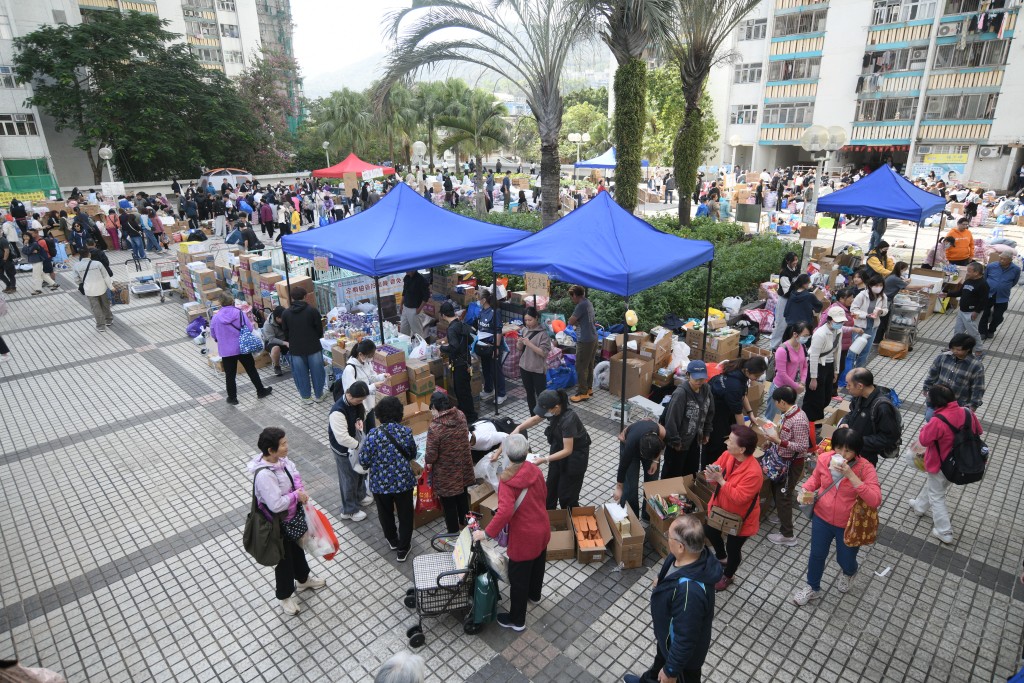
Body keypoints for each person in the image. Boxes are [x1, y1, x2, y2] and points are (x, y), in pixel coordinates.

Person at [623, 515, 721, 683]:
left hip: (683, 659)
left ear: (681, 546)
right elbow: (671, 574)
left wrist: (671, 670)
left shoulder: (690, 592)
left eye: (669, 535)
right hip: (667, 640)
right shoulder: (684, 557)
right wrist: (662, 580)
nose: (667, 537)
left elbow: (685, 638)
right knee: (658, 667)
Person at [791, 428, 881, 605]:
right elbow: (815, 479)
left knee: (845, 559)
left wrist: (850, 475)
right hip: (822, 517)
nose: (842, 454)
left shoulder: (865, 468)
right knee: (817, 554)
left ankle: (850, 572)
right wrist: (806, 489)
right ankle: (812, 587)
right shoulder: (825, 459)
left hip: (848, 523)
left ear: (857, 451)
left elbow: (875, 499)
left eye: (848, 450)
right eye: (838, 448)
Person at [472, 434, 549, 631]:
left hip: (524, 537)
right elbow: (544, 495)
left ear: (507, 454)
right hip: (542, 527)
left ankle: (517, 620)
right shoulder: (535, 470)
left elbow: (505, 512)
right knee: (538, 564)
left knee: (519, 578)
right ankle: (534, 595)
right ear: (526, 451)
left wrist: (486, 534)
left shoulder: (507, 481)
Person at [248, 427, 326, 615]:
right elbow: (275, 505)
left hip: (291, 518)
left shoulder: (281, 461)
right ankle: (284, 596)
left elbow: (295, 476)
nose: (287, 447)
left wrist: (300, 491)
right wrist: (296, 496)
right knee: (284, 560)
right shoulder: (265, 475)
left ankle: (303, 580)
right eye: (283, 444)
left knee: (297, 550)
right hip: (277, 525)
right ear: (270, 450)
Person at [909, 384, 982, 545]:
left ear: (936, 402)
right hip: (960, 462)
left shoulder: (937, 420)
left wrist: (925, 428)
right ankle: (919, 507)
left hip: (941, 464)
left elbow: (924, 440)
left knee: (937, 495)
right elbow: (979, 430)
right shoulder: (967, 412)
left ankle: (944, 532)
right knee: (936, 487)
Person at [701, 425, 762, 591]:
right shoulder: (728, 455)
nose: (726, 442)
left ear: (742, 449)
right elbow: (715, 469)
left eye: (731, 441)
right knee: (710, 531)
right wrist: (711, 475)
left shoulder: (754, 473)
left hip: (741, 518)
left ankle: (728, 575)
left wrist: (720, 480)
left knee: (733, 549)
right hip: (719, 509)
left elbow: (739, 498)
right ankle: (721, 557)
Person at [359, 396, 418, 562]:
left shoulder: (373, 435)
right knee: (405, 515)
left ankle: (392, 540)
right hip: (403, 482)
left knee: (385, 514)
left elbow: (364, 461)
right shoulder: (405, 432)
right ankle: (403, 549)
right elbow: (412, 454)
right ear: (399, 413)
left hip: (380, 484)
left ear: (379, 415)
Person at [510, 389, 591, 509]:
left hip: (575, 456)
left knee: (567, 495)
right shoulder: (553, 411)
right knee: (550, 488)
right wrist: (518, 428)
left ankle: (569, 517)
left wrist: (545, 459)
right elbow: (535, 419)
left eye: (545, 411)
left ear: (556, 407)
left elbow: (568, 450)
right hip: (558, 448)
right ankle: (549, 514)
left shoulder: (569, 419)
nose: (543, 414)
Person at [763, 386, 812, 547]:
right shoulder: (788, 414)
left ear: (782, 402)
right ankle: (783, 516)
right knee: (778, 489)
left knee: (783, 496)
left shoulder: (798, 420)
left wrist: (779, 442)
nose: (775, 404)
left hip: (791, 464)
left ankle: (788, 535)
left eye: (776, 402)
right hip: (781, 461)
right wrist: (772, 441)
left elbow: (803, 446)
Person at [425, 391, 476, 533]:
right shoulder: (460, 415)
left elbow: (431, 456)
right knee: (463, 498)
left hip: (446, 473)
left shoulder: (435, 427)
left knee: (449, 505)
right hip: (463, 467)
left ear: (434, 407)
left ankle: (453, 533)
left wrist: (428, 461)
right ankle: (466, 526)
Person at [209, 293, 273, 405]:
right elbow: (249, 328)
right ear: (232, 302)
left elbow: (213, 334)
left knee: (230, 375)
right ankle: (260, 391)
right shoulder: (239, 313)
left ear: (221, 304)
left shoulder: (216, 317)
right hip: (243, 347)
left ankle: (232, 398)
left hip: (226, 351)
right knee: (251, 370)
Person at [659, 360, 715, 478]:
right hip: (678, 443)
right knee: (672, 475)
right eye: (696, 378)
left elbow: (710, 411)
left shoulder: (706, 389)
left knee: (690, 474)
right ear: (688, 375)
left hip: (695, 440)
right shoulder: (681, 394)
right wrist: (675, 442)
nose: (700, 381)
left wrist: (706, 432)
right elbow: (671, 420)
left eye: (702, 378)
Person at [328, 380, 373, 522]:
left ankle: (360, 496)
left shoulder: (356, 403)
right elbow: (342, 438)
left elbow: (360, 415)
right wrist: (359, 445)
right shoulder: (337, 411)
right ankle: (349, 510)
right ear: (349, 395)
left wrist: (359, 421)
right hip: (343, 450)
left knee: (359, 472)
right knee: (348, 479)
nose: (360, 402)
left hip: (354, 445)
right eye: (359, 400)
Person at [837, 368, 902, 466]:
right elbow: (851, 413)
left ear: (860, 386)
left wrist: (858, 441)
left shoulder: (882, 407)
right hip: (852, 451)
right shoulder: (859, 396)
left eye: (849, 385)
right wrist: (844, 422)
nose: (847, 387)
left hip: (866, 458)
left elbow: (889, 437)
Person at [706, 356, 767, 460]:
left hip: (725, 406)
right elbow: (738, 413)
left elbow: (742, 395)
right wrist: (744, 437)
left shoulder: (740, 370)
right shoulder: (734, 386)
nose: (757, 379)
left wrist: (750, 413)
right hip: (716, 412)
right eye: (756, 376)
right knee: (717, 442)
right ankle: (712, 463)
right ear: (747, 371)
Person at [922, 333, 984, 419]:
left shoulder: (976, 366)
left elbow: (978, 388)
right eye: (952, 348)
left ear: (968, 349)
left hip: (958, 405)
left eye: (958, 349)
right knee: (930, 418)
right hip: (937, 400)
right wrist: (926, 387)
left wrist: (973, 405)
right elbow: (932, 374)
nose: (954, 351)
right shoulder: (942, 357)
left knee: (950, 425)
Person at [281, 286, 327, 403]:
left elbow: (285, 332)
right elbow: (319, 330)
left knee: (300, 374)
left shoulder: (286, 313)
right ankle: (319, 395)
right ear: (305, 296)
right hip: (313, 346)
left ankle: (306, 397)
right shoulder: (312, 311)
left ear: (292, 298)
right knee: (317, 372)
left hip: (296, 348)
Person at [613, 419, 665, 520]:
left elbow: (663, 443)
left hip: (651, 446)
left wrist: (655, 461)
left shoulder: (661, 431)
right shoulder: (630, 444)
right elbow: (623, 467)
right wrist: (619, 488)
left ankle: (648, 514)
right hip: (630, 443)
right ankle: (633, 518)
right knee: (630, 486)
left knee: (652, 483)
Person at [803, 307, 845, 425]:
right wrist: (813, 378)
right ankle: (809, 421)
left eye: (841, 321)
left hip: (829, 366)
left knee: (826, 396)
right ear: (829, 319)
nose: (840, 323)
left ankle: (817, 419)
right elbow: (814, 356)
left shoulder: (839, 331)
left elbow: (838, 351)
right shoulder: (820, 333)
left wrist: (836, 371)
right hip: (818, 366)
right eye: (837, 321)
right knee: (815, 397)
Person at [439, 301, 477, 424]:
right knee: (465, 390)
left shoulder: (451, 329)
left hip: (459, 364)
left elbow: (454, 347)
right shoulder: (461, 323)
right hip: (466, 361)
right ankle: (469, 413)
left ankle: (469, 417)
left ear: (443, 315)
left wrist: (442, 348)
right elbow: (470, 339)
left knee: (461, 392)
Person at [764, 323, 810, 422]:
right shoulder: (782, 350)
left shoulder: (802, 347)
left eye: (808, 336)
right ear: (795, 334)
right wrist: (797, 386)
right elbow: (782, 373)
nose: (806, 338)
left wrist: (802, 382)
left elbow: (805, 366)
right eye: (805, 335)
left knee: (786, 418)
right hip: (780, 390)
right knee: (772, 419)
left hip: (793, 390)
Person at [877, 261, 927, 340]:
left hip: (885, 299)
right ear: (901, 269)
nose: (905, 272)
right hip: (886, 301)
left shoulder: (892, 276)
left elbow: (902, 284)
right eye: (905, 270)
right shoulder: (895, 278)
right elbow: (909, 287)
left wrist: (906, 282)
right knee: (884, 321)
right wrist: (925, 286)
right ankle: (877, 340)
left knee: (884, 320)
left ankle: (879, 338)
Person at [517, 306, 551, 416]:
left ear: (536, 318)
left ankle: (544, 414)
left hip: (537, 369)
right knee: (529, 393)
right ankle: (533, 415)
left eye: (530, 320)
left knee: (541, 394)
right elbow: (519, 348)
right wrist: (519, 342)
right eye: (525, 320)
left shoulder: (543, 334)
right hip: (524, 367)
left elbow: (543, 353)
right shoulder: (524, 330)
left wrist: (529, 344)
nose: (527, 322)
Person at [979, 252, 1020, 340]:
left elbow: (1014, 282)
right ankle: (982, 332)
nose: (1001, 260)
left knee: (998, 316)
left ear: (1010, 260)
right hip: (988, 294)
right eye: (1000, 258)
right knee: (984, 314)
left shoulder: (1016, 269)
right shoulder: (991, 266)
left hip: (1003, 296)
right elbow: (985, 278)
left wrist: (1003, 287)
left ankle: (991, 330)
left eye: (1004, 259)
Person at [567, 285, 597, 403]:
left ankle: (582, 393)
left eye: (572, 296)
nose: (572, 299)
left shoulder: (580, 305)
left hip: (585, 340)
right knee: (589, 364)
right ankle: (589, 388)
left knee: (580, 366)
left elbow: (570, 321)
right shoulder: (588, 302)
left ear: (575, 295)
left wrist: (574, 321)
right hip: (593, 337)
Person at [475, 288, 505, 404]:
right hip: (483, 345)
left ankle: (501, 393)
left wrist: (496, 348)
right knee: (486, 369)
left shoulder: (495, 312)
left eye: (478, 299)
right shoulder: (481, 311)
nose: (477, 301)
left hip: (493, 345)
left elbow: (498, 331)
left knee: (495, 370)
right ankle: (489, 389)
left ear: (483, 300)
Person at [849, 273, 888, 364]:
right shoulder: (862, 295)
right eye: (876, 285)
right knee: (853, 349)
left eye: (880, 285)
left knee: (866, 350)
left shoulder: (883, 297)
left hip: (873, 326)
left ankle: (860, 368)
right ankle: (849, 368)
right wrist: (866, 315)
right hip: (859, 325)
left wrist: (881, 312)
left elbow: (886, 309)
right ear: (870, 285)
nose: (878, 287)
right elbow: (853, 310)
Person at [74, 246, 114, 332]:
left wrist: (83, 283)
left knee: (96, 307)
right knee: (105, 304)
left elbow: (76, 280)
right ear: (89, 254)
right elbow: (106, 276)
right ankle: (108, 320)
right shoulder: (97, 264)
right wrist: (111, 287)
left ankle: (101, 326)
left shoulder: (76, 266)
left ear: (80, 255)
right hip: (102, 288)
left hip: (89, 290)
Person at [953, 261, 988, 354]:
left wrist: (976, 312)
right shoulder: (968, 280)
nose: (967, 273)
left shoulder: (983, 284)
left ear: (976, 273)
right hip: (962, 311)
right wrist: (947, 294)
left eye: (969, 271)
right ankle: (955, 348)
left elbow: (984, 300)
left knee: (973, 333)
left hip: (971, 312)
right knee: (958, 331)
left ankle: (978, 350)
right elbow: (960, 292)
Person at [770, 252, 803, 350]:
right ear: (788, 261)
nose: (796, 262)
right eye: (793, 260)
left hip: (794, 299)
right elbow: (787, 292)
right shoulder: (784, 273)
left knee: (791, 324)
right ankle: (774, 346)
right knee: (781, 323)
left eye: (796, 260)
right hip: (785, 300)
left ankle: (787, 345)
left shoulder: (797, 268)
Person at [781, 273, 822, 343]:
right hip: (804, 327)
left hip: (791, 326)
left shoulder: (792, 294)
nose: (809, 284)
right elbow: (819, 306)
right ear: (805, 283)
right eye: (808, 282)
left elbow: (786, 311)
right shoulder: (809, 296)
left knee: (791, 345)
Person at [22, 231, 58, 295]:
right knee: (42, 274)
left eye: (27, 236)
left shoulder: (34, 243)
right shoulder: (29, 243)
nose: (25, 238)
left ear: (30, 237)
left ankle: (38, 289)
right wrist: (28, 249)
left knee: (36, 276)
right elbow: (24, 251)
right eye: (24, 236)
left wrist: (26, 246)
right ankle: (54, 284)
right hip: (34, 261)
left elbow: (27, 252)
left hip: (37, 261)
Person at [400, 269, 430, 339]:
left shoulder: (421, 280)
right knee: (403, 330)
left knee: (417, 333)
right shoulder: (406, 277)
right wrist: (401, 304)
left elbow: (426, 297)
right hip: (405, 307)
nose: (406, 271)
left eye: (407, 269)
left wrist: (419, 309)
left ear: (413, 269)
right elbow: (404, 292)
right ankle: (405, 344)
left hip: (414, 309)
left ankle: (420, 345)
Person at [261, 305, 289, 376]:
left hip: (285, 339)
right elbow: (271, 339)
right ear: (277, 318)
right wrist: (285, 343)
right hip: (271, 341)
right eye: (283, 318)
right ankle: (277, 366)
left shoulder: (286, 319)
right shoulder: (268, 324)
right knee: (276, 348)